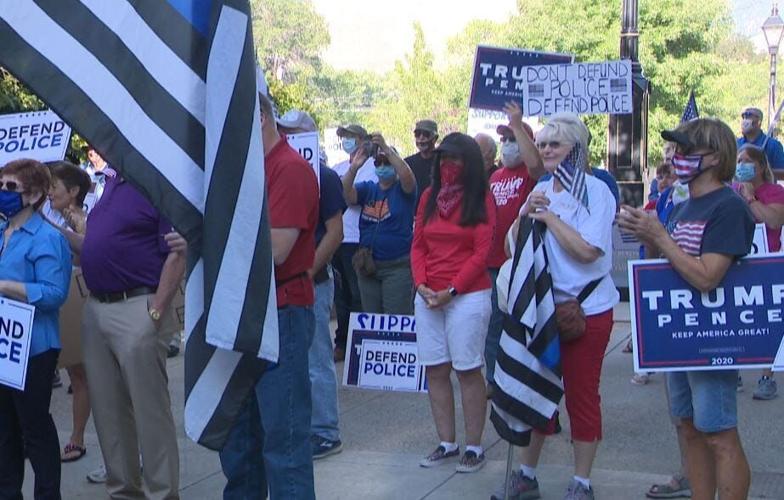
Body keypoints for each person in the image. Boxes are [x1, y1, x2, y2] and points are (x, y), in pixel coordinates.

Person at [619, 118, 755, 500]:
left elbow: (708, 277)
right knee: (689, 427)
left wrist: (659, 235)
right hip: (678, 338)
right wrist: (648, 233)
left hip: (713, 340)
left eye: (687, 149)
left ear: (714, 157)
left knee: (718, 433)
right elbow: (670, 268)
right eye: (676, 149)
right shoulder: (683, 207)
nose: (678, 157)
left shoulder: (728, 207)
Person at [494, 113, 619, 500]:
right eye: (544, 143)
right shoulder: (542, 189)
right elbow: (510, 250)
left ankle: (582, 482)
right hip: (542, 309)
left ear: (576, 150)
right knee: (536, 391)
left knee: (582, 396)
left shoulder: (597, 192)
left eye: (555, 144)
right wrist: (526, 215)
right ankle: (526, 475)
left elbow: (587, 250)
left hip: (587, 310)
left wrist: (548, 217)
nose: (546, 150)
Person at [219, 93, 319, 499]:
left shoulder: (290, 170)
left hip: (282, 314)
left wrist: (217, 244)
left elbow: (275, 250)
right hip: (245, 315)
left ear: (260, 116)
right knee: (240, 440)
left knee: (285, 439)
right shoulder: (248, 172)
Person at [76, 160, 185, 498]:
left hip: (138, 306)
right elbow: (95, 244)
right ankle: (123, 490)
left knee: (150, 413)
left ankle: (162, 493)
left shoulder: (155, 182)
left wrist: (155, 311)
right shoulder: (108, 183)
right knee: (109, 413)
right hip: (98, 308)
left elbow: (177, 253)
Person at [412, 132, 496, 473]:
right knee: (435, 368)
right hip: (429, 294)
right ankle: (447, 443)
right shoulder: (429, 196)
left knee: (467, 370)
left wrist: (453, 290)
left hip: (467, 295)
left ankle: (474, 446)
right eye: (444, 159)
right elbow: (418, 244)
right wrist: (420, 284)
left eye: (456, 159)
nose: (448, 165)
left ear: (470, 163)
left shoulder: (481, 198)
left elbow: (482, 251)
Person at [277, 109, 347, 458]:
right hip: (289, 282)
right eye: (283, 130)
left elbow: (336, 231)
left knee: (317, 358)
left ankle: (325, 430)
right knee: (295, 361)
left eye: (293, 130)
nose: (286, 136)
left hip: (313, 282)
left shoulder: (326, 176)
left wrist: (308, 269)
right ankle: (306, 427)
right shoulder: (282, 172)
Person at [0, 159, 71, 499]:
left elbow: (54, 294)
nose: (3, 192)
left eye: (11, 188)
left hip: (35, 349)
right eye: (1, 184)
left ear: (36, 193)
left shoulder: (46, 237)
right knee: (4, 431)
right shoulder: (3, 231)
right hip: (4, 347)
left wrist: (5, 286)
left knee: (35, 429)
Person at [485, 102, 544, 394]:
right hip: (493, 261)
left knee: (518, 320)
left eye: (512, 139)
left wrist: (518, 124)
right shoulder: (495, 177)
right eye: (504, 139)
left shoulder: (531, 173)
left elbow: (536, 165)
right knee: (495, 322)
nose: (507, 144)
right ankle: (494, 380)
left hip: (521, 259)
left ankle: (522, 380)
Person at [45, 162, 92, 463]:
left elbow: (85, 252)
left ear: (73, 191)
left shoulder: (90, 215)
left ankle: (77, 438)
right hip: (58, 300)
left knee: (84, 373)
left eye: (54, 187)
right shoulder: (47, 213)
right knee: (73, 371)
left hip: (83, 301)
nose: (48, 193)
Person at [343, 134, 416, 314]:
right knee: (370, 319)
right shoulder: (369, 188)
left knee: (394, 320)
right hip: (368, 264)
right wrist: (354, 168)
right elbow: (346, 194)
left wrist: (386, 148)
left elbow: (407, 176)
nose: (382, 167)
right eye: (378, 163)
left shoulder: (404, 191)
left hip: (397, 267)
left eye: (387, 163)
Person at [733, 144, 784, 400]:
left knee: (770, 323)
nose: (740, 164)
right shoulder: (731, 192)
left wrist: (751, 197)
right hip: (737, 264)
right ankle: (734, 372)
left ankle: (767, 377)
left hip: (768, 265)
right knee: (734, 320)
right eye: (738, 160)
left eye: (746, 160)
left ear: (761, 166)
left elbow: (773, 221)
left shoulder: (775, 192)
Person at [331, 124, 376, 361]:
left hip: (357, 238)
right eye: (343, 137)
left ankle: (360, 344)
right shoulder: (337, 167)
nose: (345, 140)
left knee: (359, 294)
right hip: (336, 238)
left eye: (349, 136)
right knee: (341, 295)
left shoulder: (371, 168)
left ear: (360, 139)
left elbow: (355, 198)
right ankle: (342, 340)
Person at [737, 107, 784, 177]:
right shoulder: (736, 144)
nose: (745, 120)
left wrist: (763, 171)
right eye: (744, 117)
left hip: (766, 187)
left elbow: (782, 173)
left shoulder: (773, 145)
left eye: (749, 116)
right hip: (739, 187)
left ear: (759, 122)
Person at [405, 119, 439, 198]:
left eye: (426, 134)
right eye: (417, 134)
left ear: (435, 138)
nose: (421, 138)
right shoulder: (408, 163)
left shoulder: (441, 162)